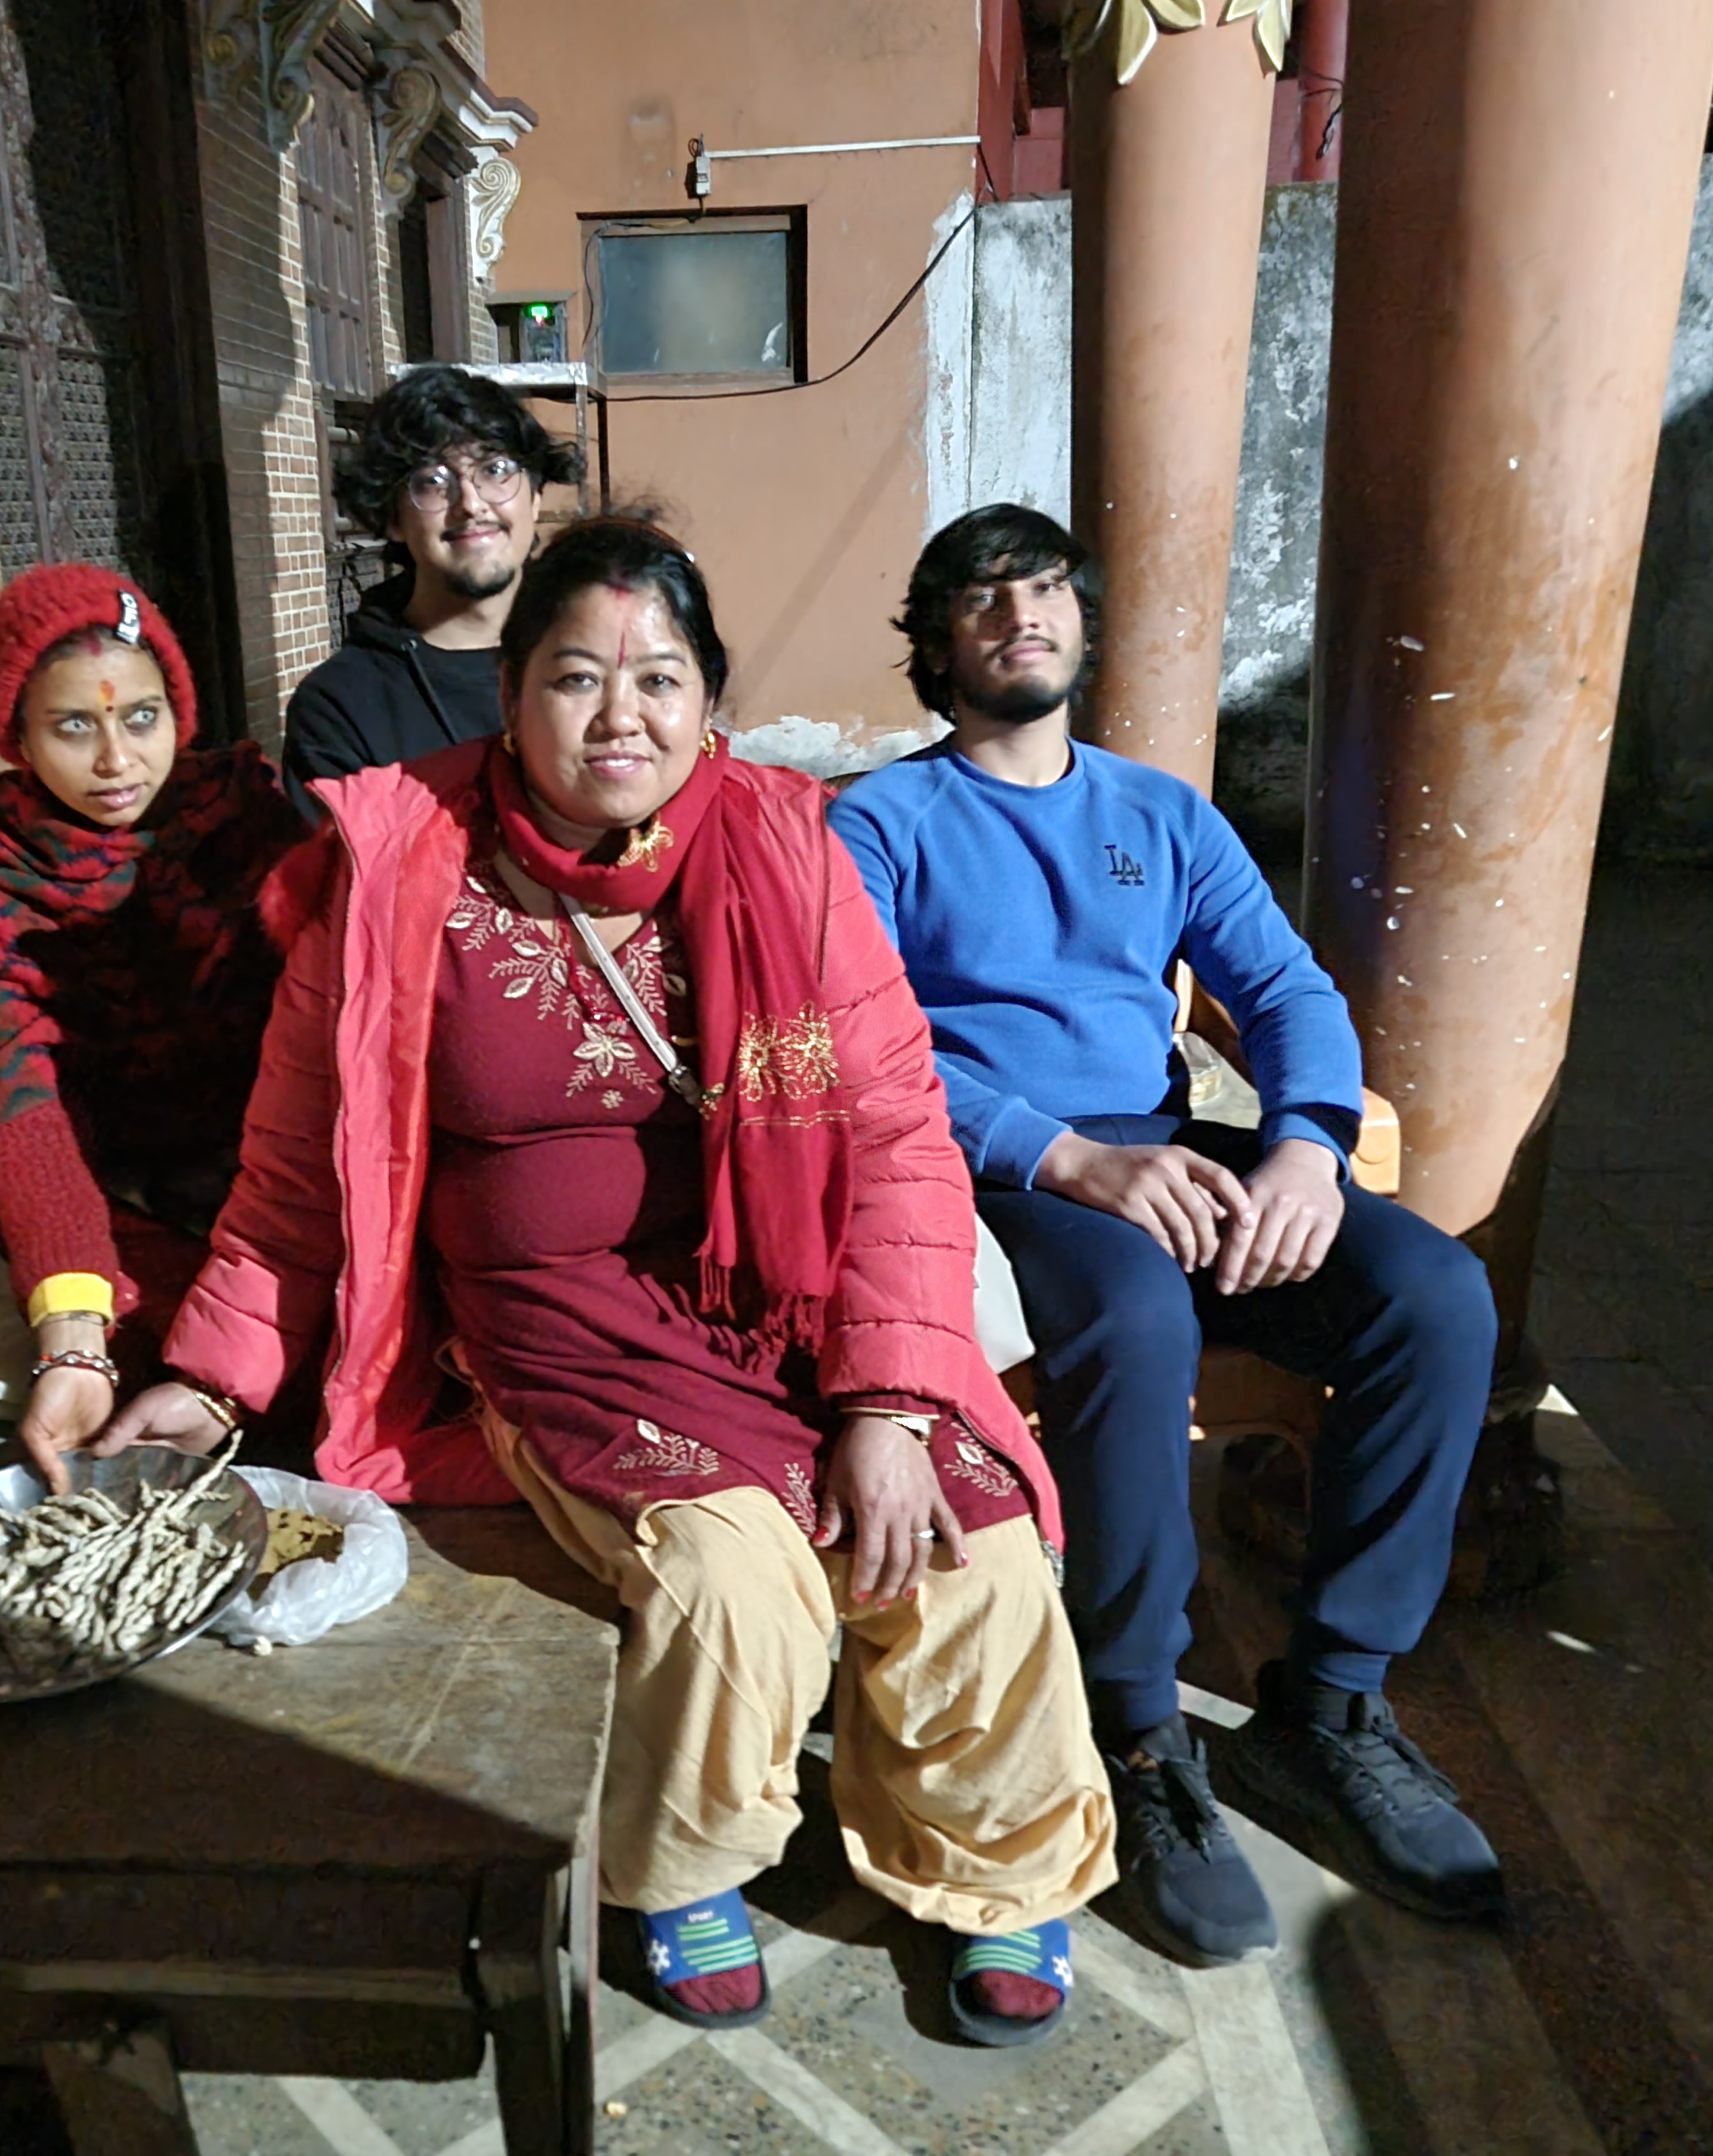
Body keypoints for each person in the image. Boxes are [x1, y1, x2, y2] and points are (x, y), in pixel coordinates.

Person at [99, 518, 1116, 2045]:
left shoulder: (792, 852)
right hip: (556, 1327)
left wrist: (890, 1401)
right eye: (576, 677)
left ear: (709, 701)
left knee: (974, 1553)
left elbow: (899, 1136)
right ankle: (684, 1862)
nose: (619, 716)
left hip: (779, 1304)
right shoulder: (400, 868)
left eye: (659, 678)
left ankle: (993, 1861)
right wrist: (207, 1376)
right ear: (511, 697)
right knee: (732, 1583)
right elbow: (301, 1169)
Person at [829, 503, 1505, 1968]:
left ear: (1082, 623)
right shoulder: (879, 824)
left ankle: (1330, 1706)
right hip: (992, 1173)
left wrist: (1307, 1148)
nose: (1022, 613)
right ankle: (1136, 1729)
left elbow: (1286, 990)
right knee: (1134, 1308)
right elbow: (863, 1049)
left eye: (1047, 588)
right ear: (935, 640)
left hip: (1164, 1151)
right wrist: (1067, 1158)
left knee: (1434, 1295)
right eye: (983, 595)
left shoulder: (1161, 815)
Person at [0, 563, 305, 1489]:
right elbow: (18, 1103)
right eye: (72, 727)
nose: (116, 761)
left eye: (140, 718)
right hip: (120, 1198)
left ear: (178, 712)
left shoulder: (242, 821)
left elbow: (331, 1026)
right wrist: (71, 1337)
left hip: (288, 1180)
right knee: (153, 1382)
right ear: (16, 736)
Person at [280, 364, 583, 812]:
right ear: (392, 518)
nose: (471, 504)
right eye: (433, 481)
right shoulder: (341, 707)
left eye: (495, 469)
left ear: (536, 496)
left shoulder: (594, 647)